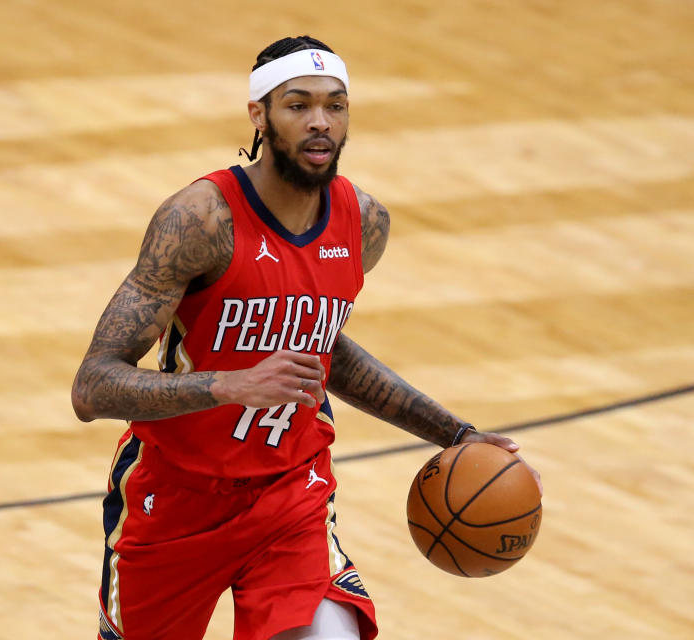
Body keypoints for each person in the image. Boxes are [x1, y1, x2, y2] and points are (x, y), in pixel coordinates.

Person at [72, 35, 540, 640]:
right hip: (174, 497)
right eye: (298, 105)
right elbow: (93, 386)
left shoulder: (363, 222)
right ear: (258, 115)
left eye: (335, 105)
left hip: (290, 493)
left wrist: (455, 434)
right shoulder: (199, 221)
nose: (320, 122)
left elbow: (325, 350)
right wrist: (231, 385)